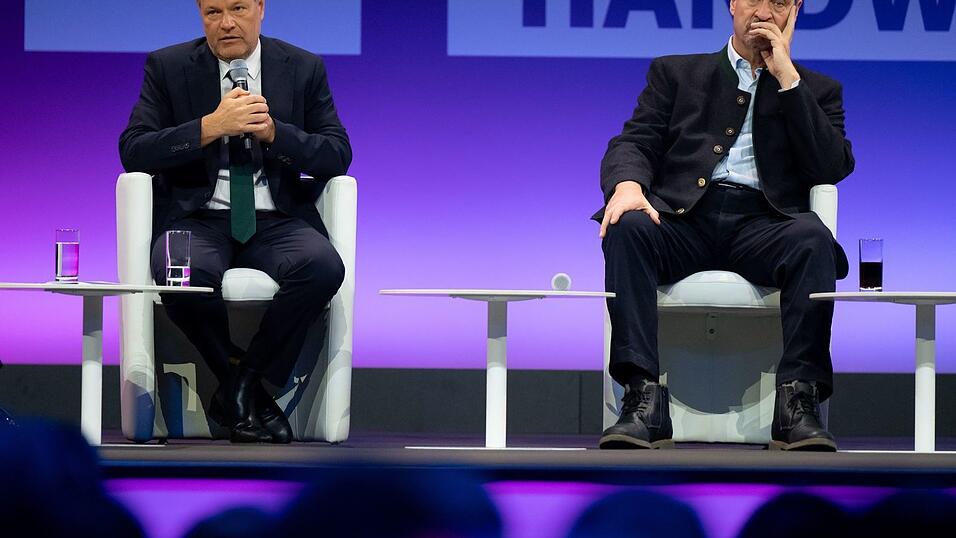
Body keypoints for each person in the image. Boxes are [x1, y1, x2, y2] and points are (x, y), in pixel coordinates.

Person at [597, 0, 853, 451]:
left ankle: (798, 404)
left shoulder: (816, 89)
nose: (762, 11)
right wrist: (628, 185)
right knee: (628, 227)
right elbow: (634, 139)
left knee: (813, 239)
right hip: (683, 219)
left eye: (778, 2)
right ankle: (642, 400)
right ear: (732, 3)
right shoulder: (676, 73)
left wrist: (786, 78)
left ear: (794, 11)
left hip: (765, 225)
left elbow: (830, 166)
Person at [119, 0, 351, 444]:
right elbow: (134, 148)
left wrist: (274, 133)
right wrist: (208, 127)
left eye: (238, 8)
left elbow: (336, 153)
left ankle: (242, 384)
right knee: (177, 271)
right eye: (212, 12)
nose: (226, 23)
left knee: (323, 267)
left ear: (261, 8)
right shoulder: (168, 67)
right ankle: (250, 395)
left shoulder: (302, 67)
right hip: (196, 218)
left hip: (275, 218)